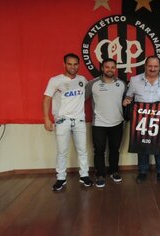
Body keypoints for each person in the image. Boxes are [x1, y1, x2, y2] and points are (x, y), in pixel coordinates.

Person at [43, 53, 93, 191]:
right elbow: (47, 98)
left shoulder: (83, 79)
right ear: (64, 64)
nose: (72, 67)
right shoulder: (55, 80)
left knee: (82, 150)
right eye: (69, 64)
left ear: (78, 65)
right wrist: (46, 118)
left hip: (79, 120)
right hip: (62, 121)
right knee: (62, 151)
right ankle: (61, 178)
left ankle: (84, 175)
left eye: (75, 64)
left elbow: (90, 93)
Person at [123, 55, 160, 184]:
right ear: (145, 66)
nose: (152, 68)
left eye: (155, 66)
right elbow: (129, 96)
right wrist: (127, 101)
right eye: (150, 66)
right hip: (141, 119)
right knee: (142, 146)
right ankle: (142, 172)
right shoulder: (134, 80)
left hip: (159, 120)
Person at [85, 58, 126, 188]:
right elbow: (79, 100)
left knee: (115, 150)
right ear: (102, 68)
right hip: (99, 124)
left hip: (117, 123)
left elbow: (127, 101)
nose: (110, 69)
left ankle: (114, 172)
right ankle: (100, 175)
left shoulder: (122, 84)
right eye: (107, 67)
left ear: (115, 69)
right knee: (99, 150)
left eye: (112, 67)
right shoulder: (92, 84)